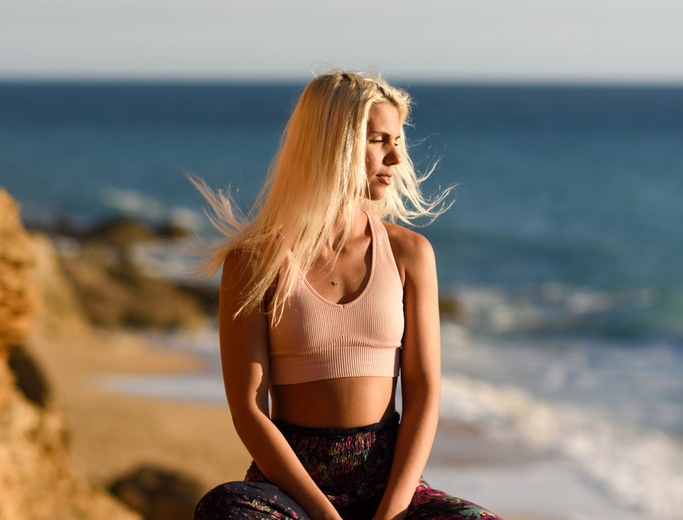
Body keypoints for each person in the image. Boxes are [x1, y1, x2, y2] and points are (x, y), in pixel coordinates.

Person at [192, 71, 501, 520]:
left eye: (397, 140)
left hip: (390, 483)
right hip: (291, 487)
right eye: (379, 140)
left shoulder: (409, 253)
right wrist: (326, 516)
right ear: (331, 145)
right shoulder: (253, 262)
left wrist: (391, 511)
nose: (396, 157)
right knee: (223, 509)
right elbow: (248, 410)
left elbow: (423, 393)